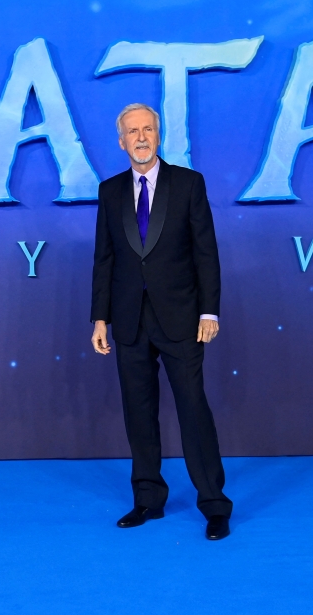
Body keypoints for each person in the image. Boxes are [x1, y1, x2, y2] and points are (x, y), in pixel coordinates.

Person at [90, 103, 233, 541]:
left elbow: (205, 251)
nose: (140, 137)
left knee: (193, 410)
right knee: (139, 413)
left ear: (159, 134)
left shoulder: (188, 183)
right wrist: (100, 317)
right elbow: (105, 258)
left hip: (183, 319)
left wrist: (210, 311)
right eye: (132, 131)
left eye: (147, 129)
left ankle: (214, 505)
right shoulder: (109, 190)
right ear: (121, 141)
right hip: (129, 321)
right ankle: (148, 499)